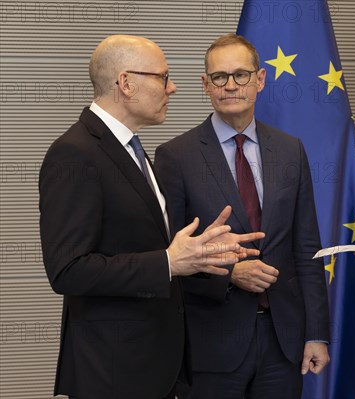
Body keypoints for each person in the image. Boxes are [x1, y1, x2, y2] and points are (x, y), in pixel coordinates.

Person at [39, 35, 264, 399]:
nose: (172, 88)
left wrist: (201, 254)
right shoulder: (75, 154)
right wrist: (168, 262)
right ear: (126, 83)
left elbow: (148, 244)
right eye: (163, 77)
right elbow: (68, 270)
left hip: (153, 369)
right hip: (112, 373)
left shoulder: (132, 149)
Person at [154, 33, 330, 399]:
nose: (231, 85)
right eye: (219, 77)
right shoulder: (176, 156)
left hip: (283, 342)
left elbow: (307, 247)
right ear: (205, 85)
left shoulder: (290, 150)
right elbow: (169, 257)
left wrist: (315, 333)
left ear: (261, 79)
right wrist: (231, 274)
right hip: (211, 345)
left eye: (241, 75)